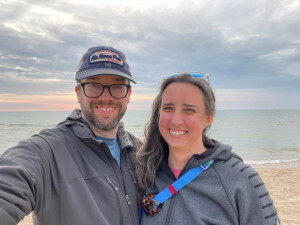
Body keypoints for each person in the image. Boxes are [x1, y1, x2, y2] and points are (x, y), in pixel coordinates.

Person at [0, 46, 141, 225]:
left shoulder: (138, 151)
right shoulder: (49, 151)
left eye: (118, 86)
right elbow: (11, 180)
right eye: (94, 85)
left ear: (128, 94)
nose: (106, 97)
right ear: (78, 93)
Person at [136, 72, 280, 225]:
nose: (176, 120)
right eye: (168, 108)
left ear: (208, 118)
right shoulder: (144, 171)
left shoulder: (240, 180)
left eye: (189, 110)